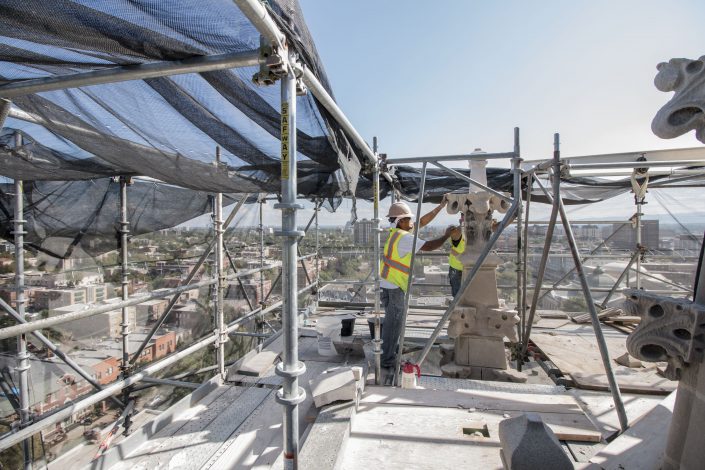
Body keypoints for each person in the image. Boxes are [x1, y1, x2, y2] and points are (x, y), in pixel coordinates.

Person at [379, 200, 455, 373]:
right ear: (400, 221)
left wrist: (441, 206)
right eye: (408, 219)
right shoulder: (404, 237)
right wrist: (446, 236)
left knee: (393, 322)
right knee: (394, 324)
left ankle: (390, 352)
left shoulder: (395, 233)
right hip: (395, 286)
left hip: (388, 284)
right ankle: (388, 359)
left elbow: (422, 221)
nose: (411, 222)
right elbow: (428, 246)